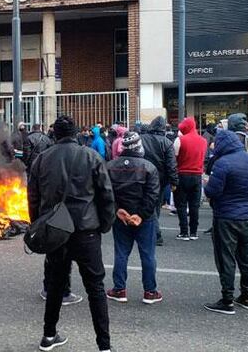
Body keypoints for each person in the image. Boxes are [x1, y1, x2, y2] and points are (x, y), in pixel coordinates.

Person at [28, 115, 115, 352]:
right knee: (95, 287)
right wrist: (105, 225)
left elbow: (33, 197)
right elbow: (106, 194)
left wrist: (38, 226)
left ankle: (48, 335)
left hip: (55, 231)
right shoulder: (91, 156)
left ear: (54, 134)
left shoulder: (42, 159)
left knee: (55, 284)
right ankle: (104, 346)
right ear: (76, 133)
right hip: (86, 231)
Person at [203, 130, 248, 315]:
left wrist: (206, 183)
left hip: (225, 216)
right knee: (245, 259)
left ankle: (227, 299)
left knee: (226, 258)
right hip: (246, 215)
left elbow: (213, 191)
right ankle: (246, 296)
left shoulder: (222, 163)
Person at [105, 132, 162, 305]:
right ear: (139, 146)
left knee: (121, 253)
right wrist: (142, 215)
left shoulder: (111, 166)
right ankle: (150, 292)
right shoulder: (149, 167)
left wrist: (117, 210)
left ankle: (119, 289)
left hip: (121, 216)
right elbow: (153, 195)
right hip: (145, 218)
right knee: (148, 254)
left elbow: (106, 193)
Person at [141, 116, 178, 246]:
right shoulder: (167, 142)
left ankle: (152, 233)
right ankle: (155, 233)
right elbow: (171, 165)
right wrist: (174, 181)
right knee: (155, 206)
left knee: (147, 205)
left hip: (143, 177)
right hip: (161, 179)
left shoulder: (142, 139)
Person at [173, 117, 207, 240]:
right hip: (197, 176)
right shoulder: (203, 141)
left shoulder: (179, 140)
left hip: (182, 175)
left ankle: (184, 232)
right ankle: (194, 232)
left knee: (181, 204)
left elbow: (174, 159)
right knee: (194, 205)